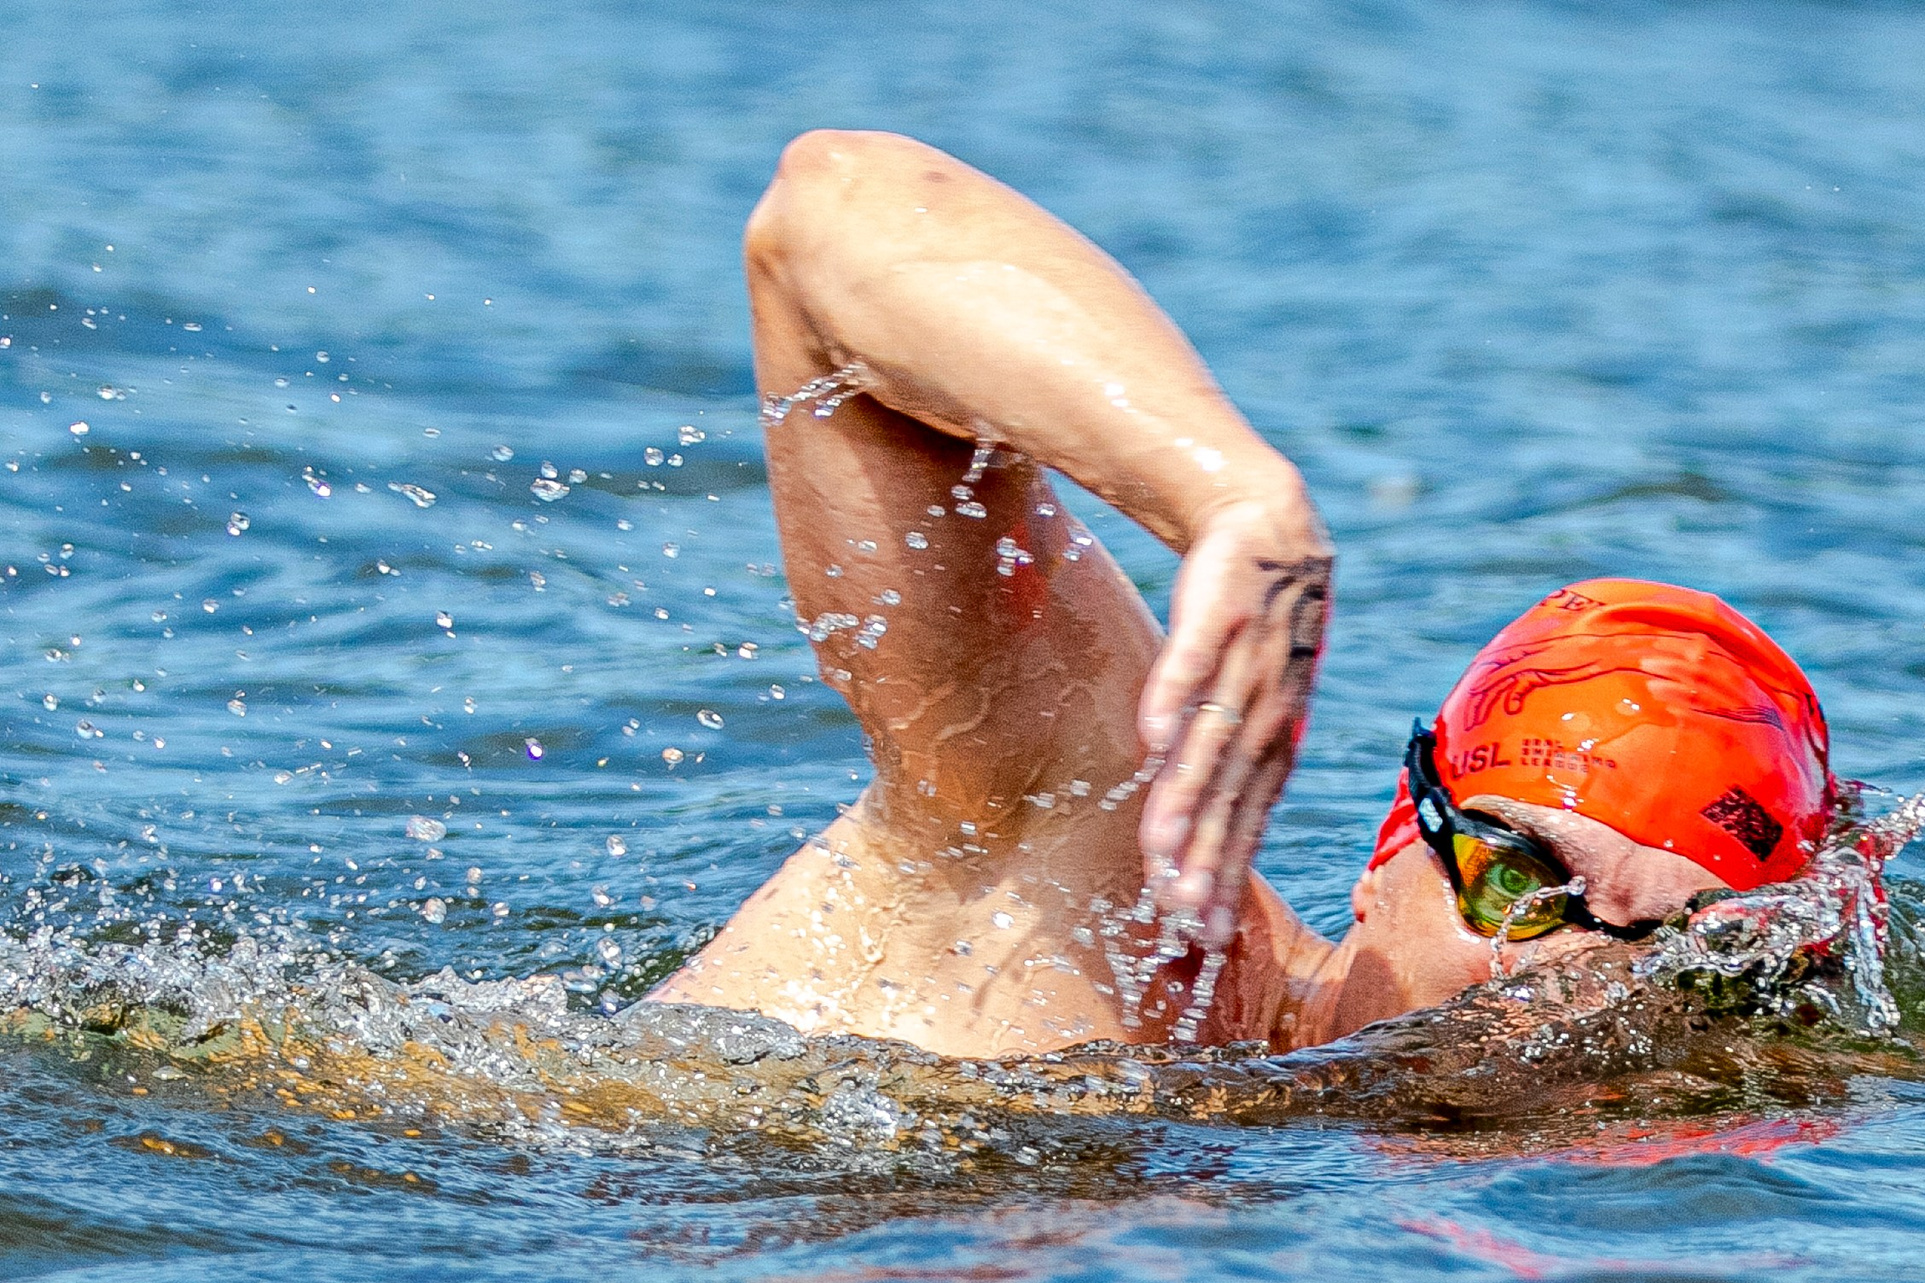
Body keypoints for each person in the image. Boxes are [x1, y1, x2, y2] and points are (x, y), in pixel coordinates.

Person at [647, 132, 1834, 1060]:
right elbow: (828, 209)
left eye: (1665, 947)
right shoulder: (1085, 869)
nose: (1558, 977)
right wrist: (1226, 494)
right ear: (1392, 855)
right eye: (1520, 883)